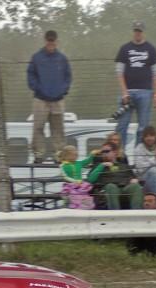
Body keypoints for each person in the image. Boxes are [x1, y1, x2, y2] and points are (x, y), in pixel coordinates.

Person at [115, 20, 156, 150]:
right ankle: (120, 157)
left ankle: (139, 158)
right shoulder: (124, 49)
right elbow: (119, 72)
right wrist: (124, 92)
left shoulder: (151, 49)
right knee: (122, 126)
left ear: (143, 32)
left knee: (143, 127)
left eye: (140, 31)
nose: (138, 33)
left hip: (145, 93)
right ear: (133, 32)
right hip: (128, 93)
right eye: (136, 31)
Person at [27, 30, 71, 164]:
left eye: (53, 40)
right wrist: (38, 89)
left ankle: (59, 155)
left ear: (56, 41)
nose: (51, 43)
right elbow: (30, 76)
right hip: (41, 99)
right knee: (38, 127)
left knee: (58, 129)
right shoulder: (36, 58)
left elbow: (68, 77)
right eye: (49, 40)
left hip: (58, 100)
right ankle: (39, 154)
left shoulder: (62, 59)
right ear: (45, 40)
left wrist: (62, 91)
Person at [87, 142, 143, 210]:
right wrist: (102, 165)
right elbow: (90, 180)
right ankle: (115, 216)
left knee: (135, 186)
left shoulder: (124, 165)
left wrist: (135, 180)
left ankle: (136, 216)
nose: (104, 153)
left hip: (125, 188)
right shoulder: (98, 166)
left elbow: (134, 178)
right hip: (107, 189)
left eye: (107, 151)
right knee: (111, 186)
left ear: (115, 152)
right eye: (102, 152)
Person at [57, 145, 94, 210]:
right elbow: (65, 176)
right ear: (66, 155)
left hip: (80, 186)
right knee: (71, 196)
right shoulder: (63, 165)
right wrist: (75, 181)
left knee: (84, 197)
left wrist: (92, 154)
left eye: (76, 154)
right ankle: (71, 208)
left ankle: (84, 209)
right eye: (73, 154)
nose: (76, 155)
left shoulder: (79, 163)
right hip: (69, 186)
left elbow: (88, 161)